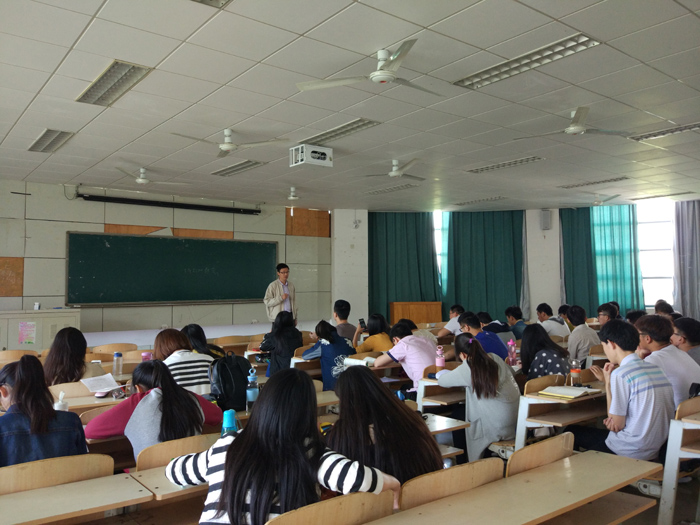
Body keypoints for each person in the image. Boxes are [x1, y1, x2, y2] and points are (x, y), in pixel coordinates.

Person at [165, 368, 401, 524]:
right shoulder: (311, 452)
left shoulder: (227, 444)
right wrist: (394, 485)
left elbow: (174, 472)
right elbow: (357, 478)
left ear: (263, 405)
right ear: (308, 413)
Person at [567, 320, 674, 460]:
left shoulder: (621, 373)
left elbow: (615, 425)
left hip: (629, 449)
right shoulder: (656, 369)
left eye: (603, 345)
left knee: (570, 433)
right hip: (655, 447)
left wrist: (608, 383)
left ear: (611, 344)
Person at [85, 360, 222, 460]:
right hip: (189, 471)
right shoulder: (189, 397)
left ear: (138, 388)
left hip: (149, 474)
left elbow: (90, 431)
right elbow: (218, 416)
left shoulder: (137, 402)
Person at [327, 366, 443, 483]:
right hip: (430, 487)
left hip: (389, 493)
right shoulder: (409, 417)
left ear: (346, 401)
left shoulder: (345, 434)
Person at [436, 334, 519, 463]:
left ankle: (464, 462)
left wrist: (440, 371)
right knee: (462, 413)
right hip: (514, 422)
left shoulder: (469, 367)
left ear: (462, 355)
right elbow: (511, 371)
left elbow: (442, 381)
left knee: (458, 417)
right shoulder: (494, 358)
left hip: (496, 427)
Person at [0, 355, 87, 467]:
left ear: (2, 391)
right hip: (64, 479)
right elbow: (82, 467)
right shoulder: (72, 421)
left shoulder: (2, 426)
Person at [635, 314, 700, 408]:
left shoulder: (654, 359)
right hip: (693, 410)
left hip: (678, 413)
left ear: (647, 338)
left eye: (637, 334)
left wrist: (639, 359)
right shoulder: (680, 352)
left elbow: (635, 388)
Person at [373, 322, 435, 400]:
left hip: (421, 394)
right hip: (439, 388)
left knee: (382, 393)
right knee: (404, 386)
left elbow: (377, 363)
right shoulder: (427, 340)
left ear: (395, 339)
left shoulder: (402, 344)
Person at [154, 328, 214, 396]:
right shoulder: (209, 360)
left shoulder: (164, 366)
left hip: (181, 403)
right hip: (210, 402)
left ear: (160, 348)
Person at [302, 320, 356, 391]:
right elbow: (355, 354)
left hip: (332, 387)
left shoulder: (323, 343)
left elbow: (305, 356)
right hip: (350, 384)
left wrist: (318, 340)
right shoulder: (348, 340)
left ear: (320, 335)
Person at [260, 311, 303, 376]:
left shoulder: (276, 335)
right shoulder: (297, 333)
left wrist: (269, 334)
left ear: (277, 322)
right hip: (296, 368)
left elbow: (262, 347)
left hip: (280, 370)